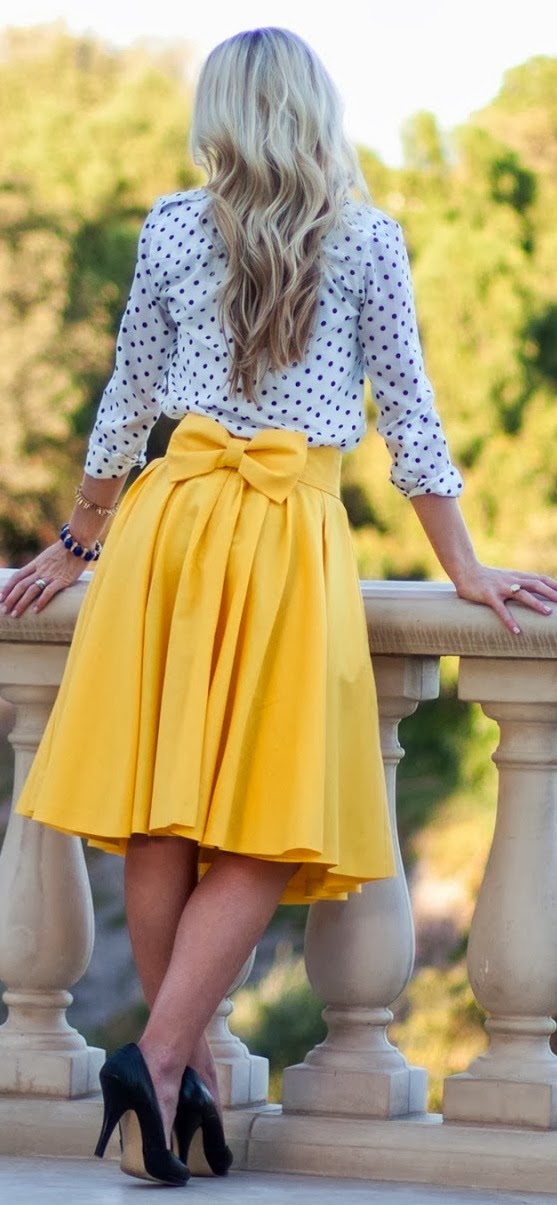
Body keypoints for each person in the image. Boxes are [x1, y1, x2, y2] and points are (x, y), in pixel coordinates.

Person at [2, 25, 557, 1189]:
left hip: (166, 525)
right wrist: (460, 565)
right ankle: (166, 1063)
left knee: (162, 807)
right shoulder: (368, 238)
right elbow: (409, 418)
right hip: (285, 536)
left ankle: (166, 1069)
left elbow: (123, 405)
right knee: (263, 814)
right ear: (315, 110)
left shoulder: (168, 228)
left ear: (220, 114)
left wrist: (79, 534)